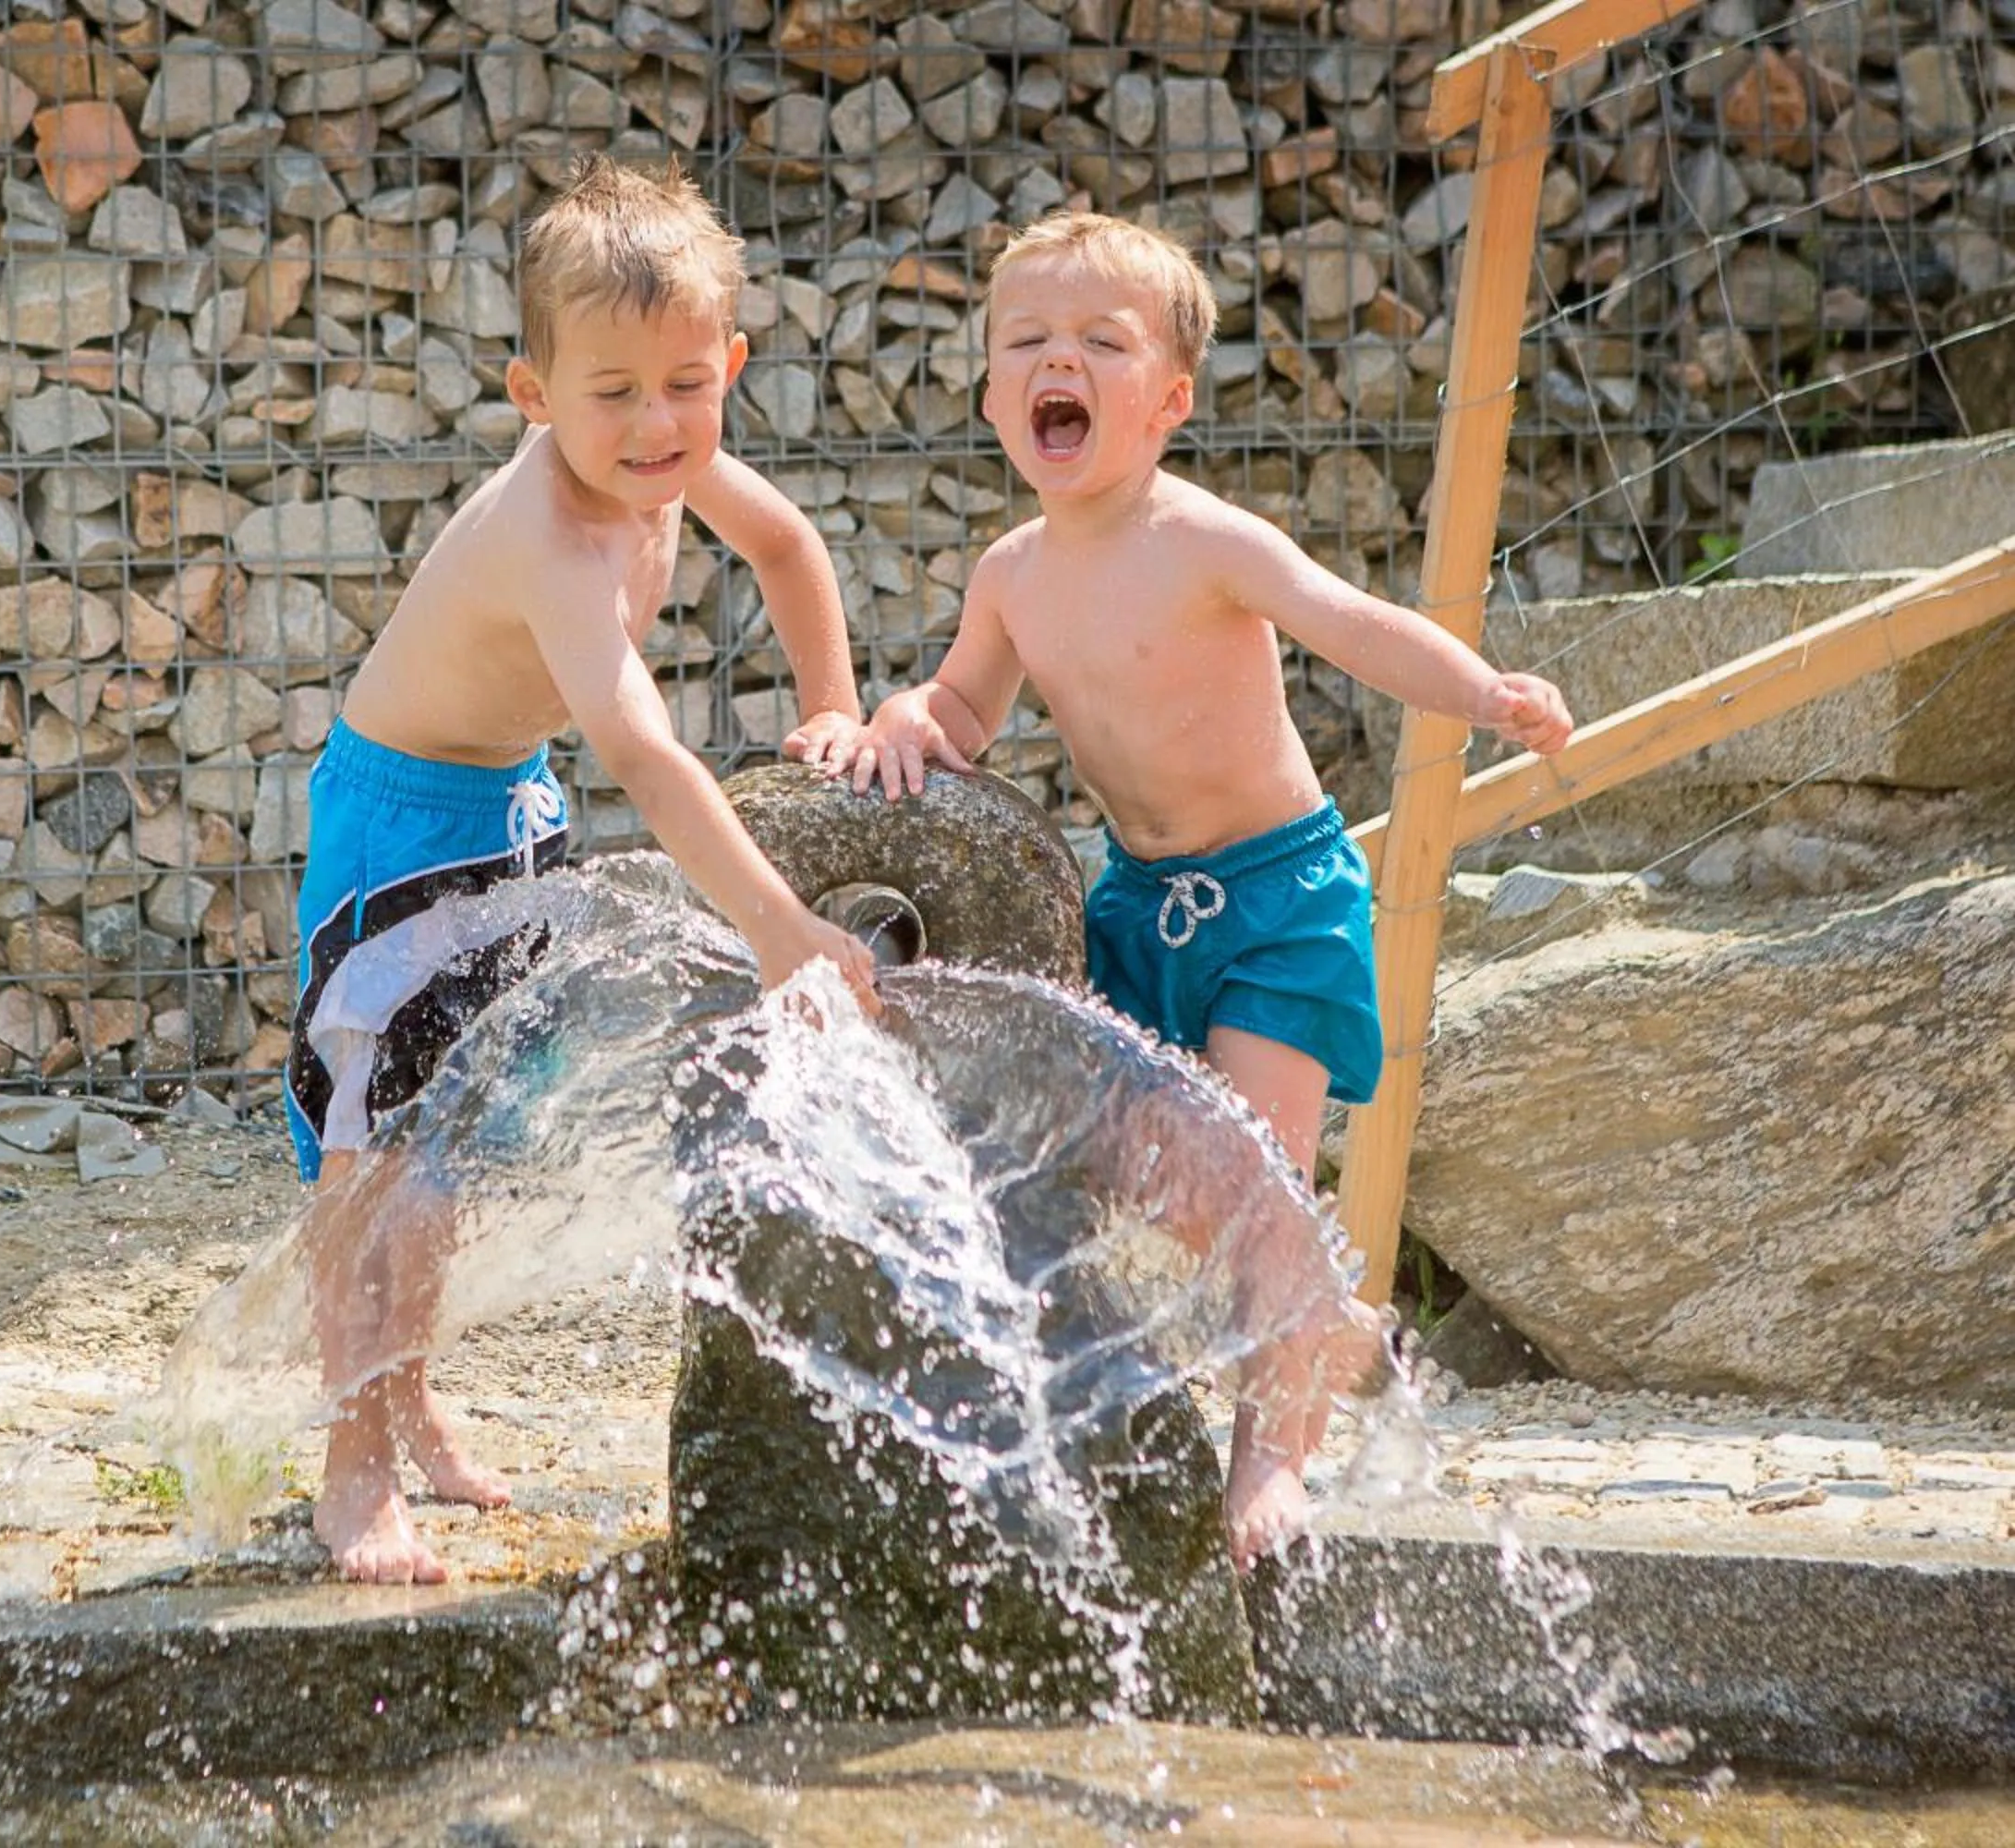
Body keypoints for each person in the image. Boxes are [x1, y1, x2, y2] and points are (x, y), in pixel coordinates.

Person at [847, 210, 1574, 1568]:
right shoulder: (1010, 576)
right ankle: (1296, 1331)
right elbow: (964, 710)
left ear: (1169, 402)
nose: (1059, 360)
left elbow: (1352, 622)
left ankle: (1270, 1458)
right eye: (1027, 341)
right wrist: (902, 715)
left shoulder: (1206, 541)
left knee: (1261, 1185)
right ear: (994, 396)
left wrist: (1482, 693)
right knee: (1124, 1161)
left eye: (1102, 341)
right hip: (1140, 902)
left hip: (1278, 900)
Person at [285, 156, 884, 1585]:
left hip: (510, 806)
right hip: (399, 835)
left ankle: (409, 1395)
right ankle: (353, 1465)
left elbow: (790, 547)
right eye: (611, 393)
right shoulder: (550, 534)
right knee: (375, 1164)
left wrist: (835, 707)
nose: (655, 422)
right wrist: (780, 928)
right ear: (534, 394)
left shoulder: (668, 456)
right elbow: (650, 755)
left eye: (686, 384)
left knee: (451, 1150)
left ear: (728, 365)